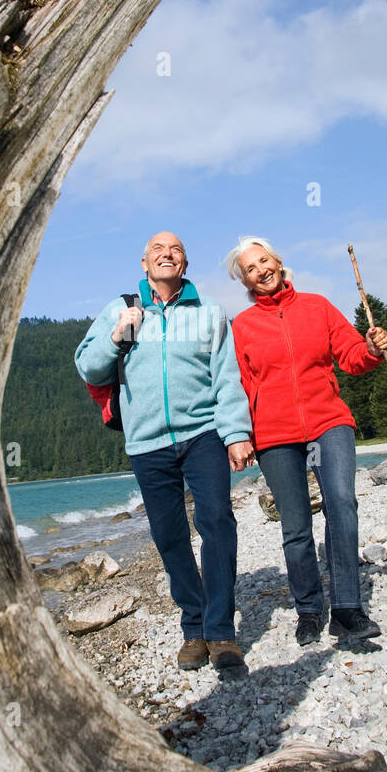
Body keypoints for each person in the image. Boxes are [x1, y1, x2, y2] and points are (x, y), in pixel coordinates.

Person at [75, 232, 255, 672]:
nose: (166, 253)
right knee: (170, 536)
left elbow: (226, 376)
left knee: (216, 522)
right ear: (144, 264)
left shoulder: (209, 311)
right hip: (146, 442)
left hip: (203, 433)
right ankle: (193, 627)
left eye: (175, 249)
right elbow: (87, 365)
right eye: (158, 249)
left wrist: (236, 432)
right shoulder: (121, 310)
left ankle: (220, 631)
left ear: (185, 264)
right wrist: (118, 337)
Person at [227, 236, 387, 645]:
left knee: (341, 502)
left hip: (328, 421)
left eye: (263, 260)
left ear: (278, 262)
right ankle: (308, 610)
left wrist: (371, 349)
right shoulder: (243, 326)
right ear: (245, 280)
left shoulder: (317, 306)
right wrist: (240, 436)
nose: (260, 270)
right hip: (275, 434)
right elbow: (241, 387)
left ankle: (347, 608)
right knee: (296, 526)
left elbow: (352, 355)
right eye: (250, 268)